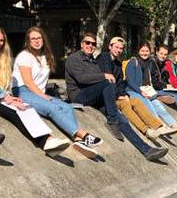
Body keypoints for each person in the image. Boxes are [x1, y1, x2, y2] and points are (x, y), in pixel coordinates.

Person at [0, 25, 70, 156]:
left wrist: (7, 96)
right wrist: (6, 98)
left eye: (1, 40)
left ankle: (45, 141)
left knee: (15, 111)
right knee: (14, 108)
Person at [65, 33, 168, 162]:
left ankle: (146, 149)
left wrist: (119, 92)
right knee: (107, 83)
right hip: (78, 95)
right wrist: (104, 76)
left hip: (94, 96)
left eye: (93, 44)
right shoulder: (74, 58)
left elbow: (114, 83)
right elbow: (81, 78)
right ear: (82, 44)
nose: (90, 46)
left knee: (123, 119)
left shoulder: (93, 61)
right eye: (87, 43)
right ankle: (112, 121)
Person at [12, 27, 102, 157]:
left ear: (43, 39)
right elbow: (28, 82)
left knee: (66, 107)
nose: (36, 41)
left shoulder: (45, 57)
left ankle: (78, 140)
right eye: (33, 39)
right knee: (52, 108)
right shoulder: (24, 56)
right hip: (23, 91)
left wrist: (45, 95)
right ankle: (84, 135)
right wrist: (43, 96)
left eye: (39, 38)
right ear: (28, 41)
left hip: (37, 92)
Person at [96, 37, 172, 140]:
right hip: (105, 96)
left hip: (118, 94)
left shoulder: (118, 63)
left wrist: (124, 94)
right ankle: (146, 130)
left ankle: (157, 126)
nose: (119, 50)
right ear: (110, 46)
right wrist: (120, 95)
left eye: (121, 48)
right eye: (116, 47)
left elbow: (120, 83)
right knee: (127, 105)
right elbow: (110, 82)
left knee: (136, 102)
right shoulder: (103, 58)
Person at [125, 42, 177, 138]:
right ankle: (160, 126)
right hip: (133, 91)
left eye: (147, 51)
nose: (145, 53)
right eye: (142, 51)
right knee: (149, 104)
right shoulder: (133, 61)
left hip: (146, 90)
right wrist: (141, 92)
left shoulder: (149, 62)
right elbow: (130, 81)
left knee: (160, 107)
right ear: (138, 51)